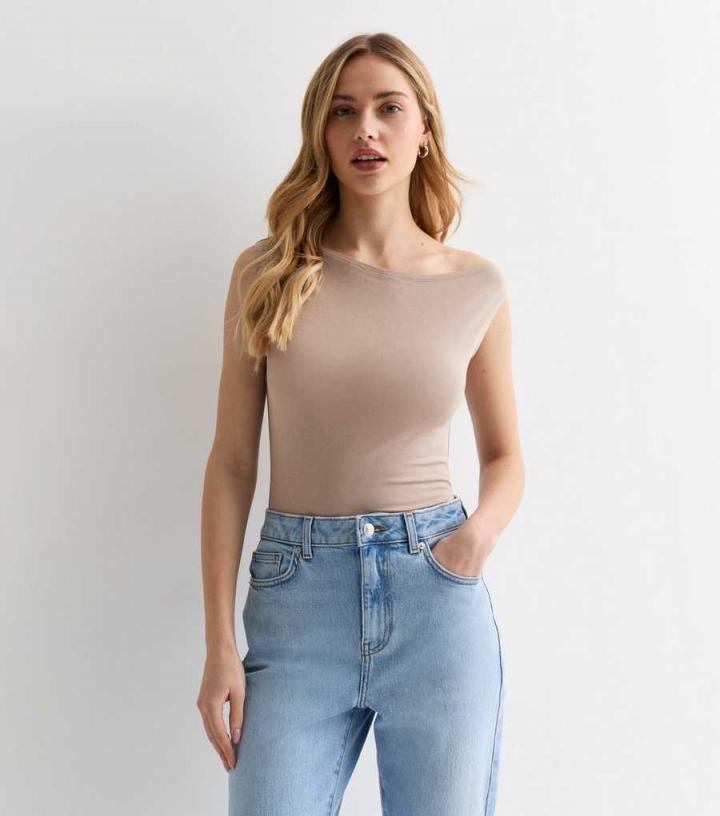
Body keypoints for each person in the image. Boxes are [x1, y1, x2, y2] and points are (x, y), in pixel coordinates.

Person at [197, 32, 524, 816]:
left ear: (424, 129)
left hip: (435, 595)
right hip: (296, 600)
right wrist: (219, 648)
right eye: (343, 112)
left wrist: (471, 542)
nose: (365, 129)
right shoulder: (267, 273)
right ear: (321, 131)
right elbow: (233, 463)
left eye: (388, 108)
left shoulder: (474, 285)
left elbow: (506, 454)